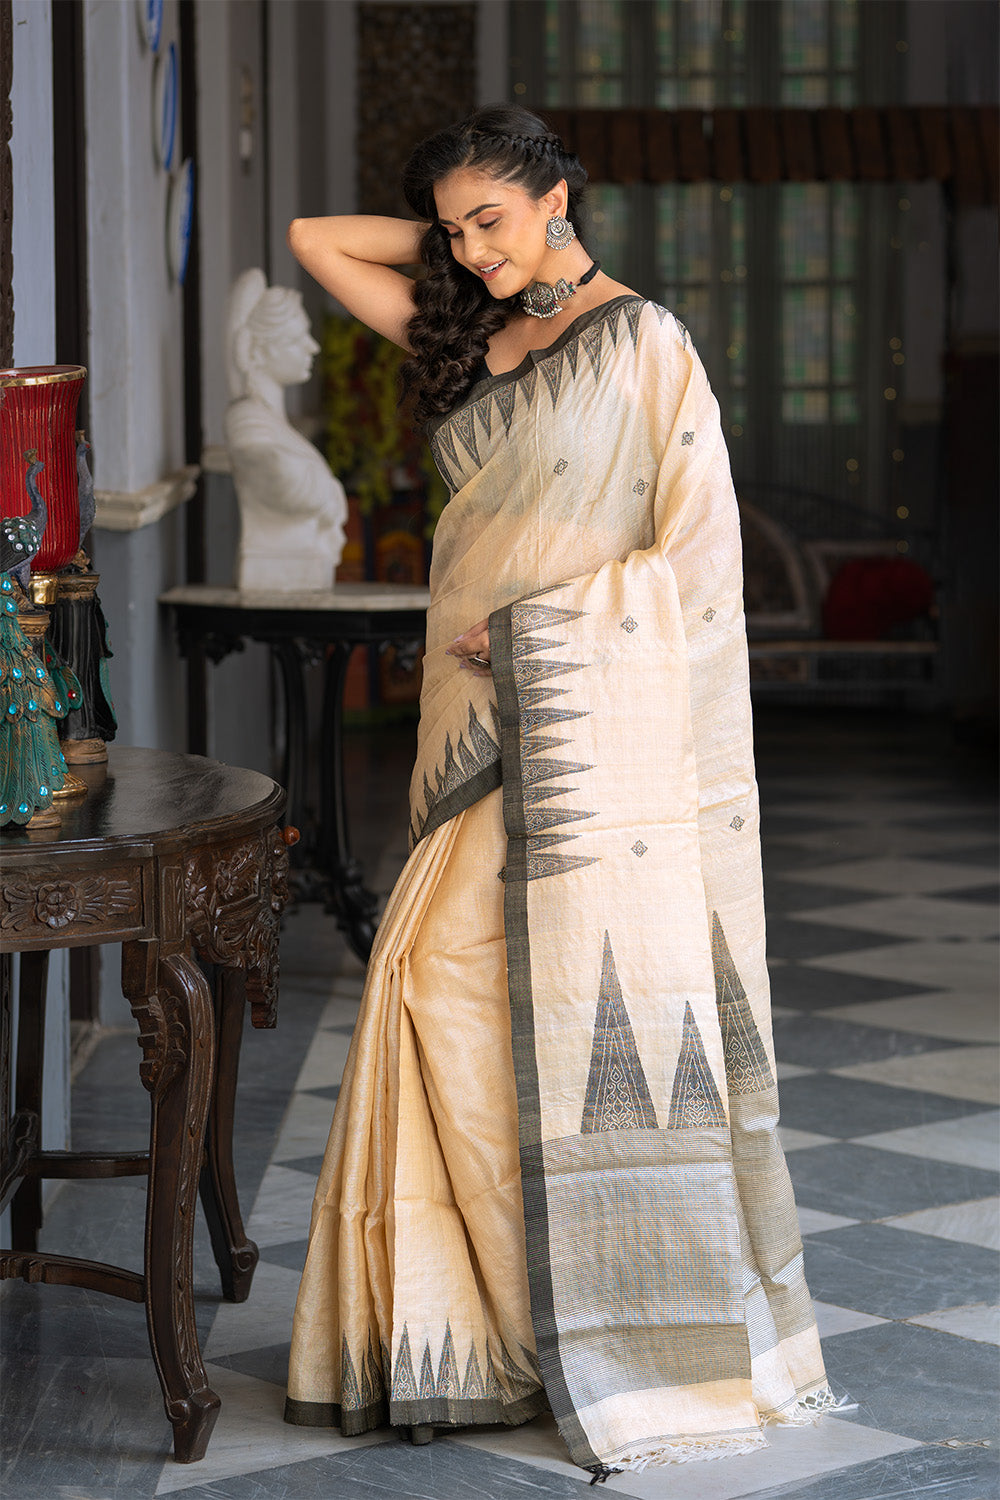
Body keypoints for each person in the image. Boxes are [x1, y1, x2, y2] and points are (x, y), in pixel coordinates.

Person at [283, 103, 835, 1481]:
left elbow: (697, 563)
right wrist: (467, 246)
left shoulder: (647, 343)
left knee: (515, 1001)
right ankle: (475, 1330)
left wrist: (542, 628)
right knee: (438, 993)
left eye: (494, 219)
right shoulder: (470, 332)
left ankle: (591, 1321)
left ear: (559, 198)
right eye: (452, 229)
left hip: (581, 719)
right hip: (468, 717)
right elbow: (311, 240)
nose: (472, 251)